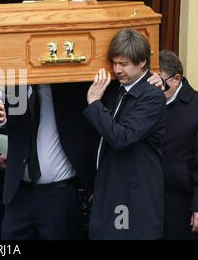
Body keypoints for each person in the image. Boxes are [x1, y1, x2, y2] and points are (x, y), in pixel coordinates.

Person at [84, 28, 165, 239]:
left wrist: (94, 102)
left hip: (132, 201)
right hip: (109, 193)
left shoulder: (152, 97)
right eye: (114, 63)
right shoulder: (116, 89)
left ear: (142, 63)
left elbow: (122, 137)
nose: (117, 69)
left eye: (124, 64)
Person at [1, 82, 96, 240]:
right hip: (18, 195)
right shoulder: (12, 86)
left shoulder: (73, 88)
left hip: (59, 196)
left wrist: (150, 77)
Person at [158, 50, 198, 239]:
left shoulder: (195, 106)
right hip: (151, 197)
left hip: (182, 202)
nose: (156, 88)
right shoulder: (149, 103)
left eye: (161, 83)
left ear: (176, 79)